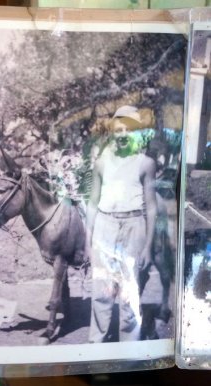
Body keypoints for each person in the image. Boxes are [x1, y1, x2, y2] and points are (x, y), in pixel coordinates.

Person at [85, 105, 157, 342]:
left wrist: (147, 245)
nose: (123, 134)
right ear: (112, 132)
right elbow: (93, 204)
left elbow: (152, 207)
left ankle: (128, 350)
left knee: (129, 291)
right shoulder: (101, 163)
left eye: (129, 130)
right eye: (119, 130)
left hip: (134, 226)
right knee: (102, 292)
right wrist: (88, 240)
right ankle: (96, 344)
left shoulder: (145, 163)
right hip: (105, 227)